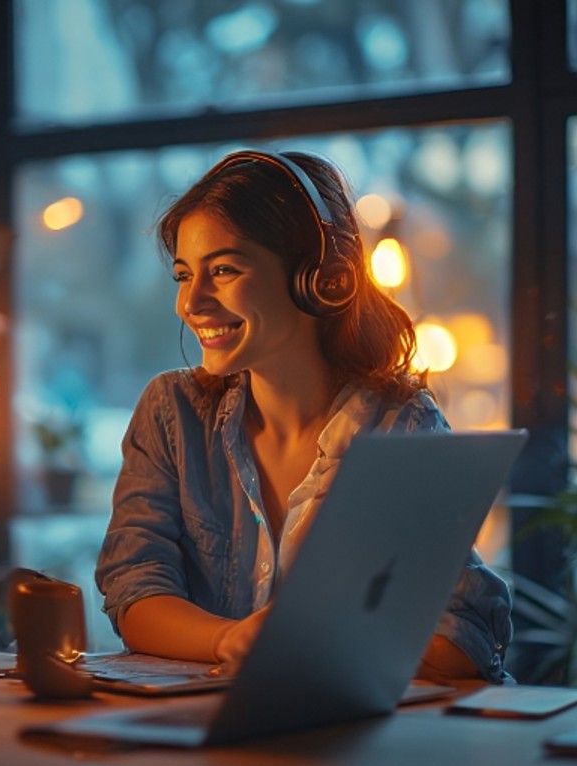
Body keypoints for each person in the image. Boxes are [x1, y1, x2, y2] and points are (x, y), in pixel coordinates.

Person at [95, 149, 513, 684]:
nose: (191, 303)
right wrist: (231, 639)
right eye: (183, 275)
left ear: (320, 278)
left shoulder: (397, 427)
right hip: (211, 743)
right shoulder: (171, 413)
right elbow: (135, 590)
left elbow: (463, 639)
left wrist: (314, 644)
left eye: (223, 270)